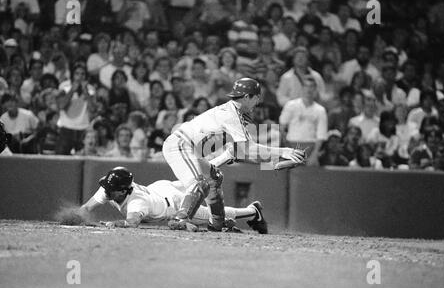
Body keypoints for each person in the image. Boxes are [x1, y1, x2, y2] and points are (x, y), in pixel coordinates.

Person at [162, 77, 305, 232]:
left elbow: (240, 151)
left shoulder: (234, 113)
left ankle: (217, 223)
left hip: (191, 151)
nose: (258, 102)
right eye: (256, 97)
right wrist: (284, 151)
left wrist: (274, 161)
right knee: (199, 184)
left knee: (214, 177)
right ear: (246, 97)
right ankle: (180, 219)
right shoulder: (231, 115)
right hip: (179, 146)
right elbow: (249, 149)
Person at [79, 167, 267, 233]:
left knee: (212, 216)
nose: (106, 190)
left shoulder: (136, 202)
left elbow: (132, 222)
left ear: (121, 191)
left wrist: (114, 224)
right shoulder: (111, 188)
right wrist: (75, 217)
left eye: (111, 189)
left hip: (174, 202)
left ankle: (252, 211)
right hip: (159, 189)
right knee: (197, 181)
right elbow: (86, 208)